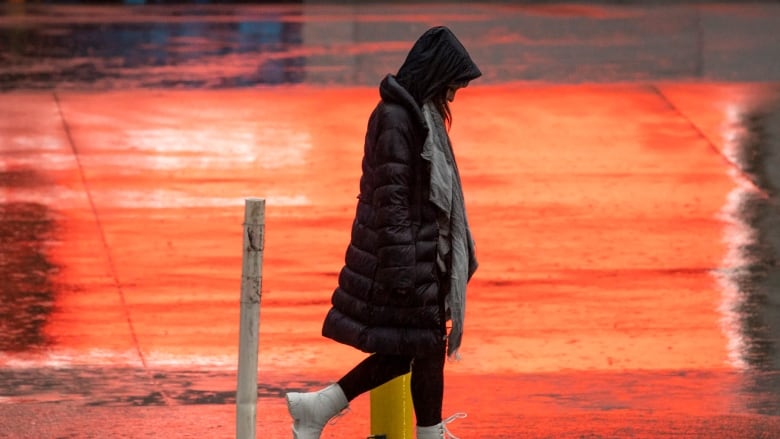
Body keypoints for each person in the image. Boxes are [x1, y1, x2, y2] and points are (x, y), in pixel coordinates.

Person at [285, 26, 481, 439]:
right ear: (433, 76)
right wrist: (404, 269)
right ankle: (328, 409)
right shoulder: (397, 119)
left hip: (419, 252)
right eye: (450, 86)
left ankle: (319, 408)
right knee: (421, 346)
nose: (451, 97)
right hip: (403, 257)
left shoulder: (415, 115)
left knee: (417, 347)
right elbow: (390, 200)